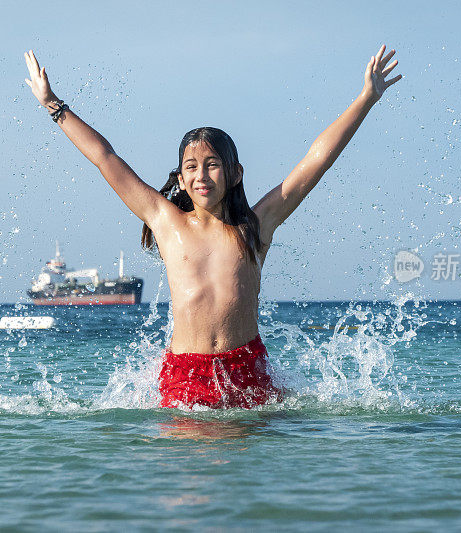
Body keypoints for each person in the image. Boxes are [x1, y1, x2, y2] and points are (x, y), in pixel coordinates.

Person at [24, 46, 401, 409]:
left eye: (212, 164)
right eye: (191, 166)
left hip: (247, 370)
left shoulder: (254, 227)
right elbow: (105, 157)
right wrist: (53, 105)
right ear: (181, 178)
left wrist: (366, 98)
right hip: (185, 374)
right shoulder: (165, 221)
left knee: (243, 468)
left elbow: (315, 162)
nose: (201, 175)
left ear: (235, 173)